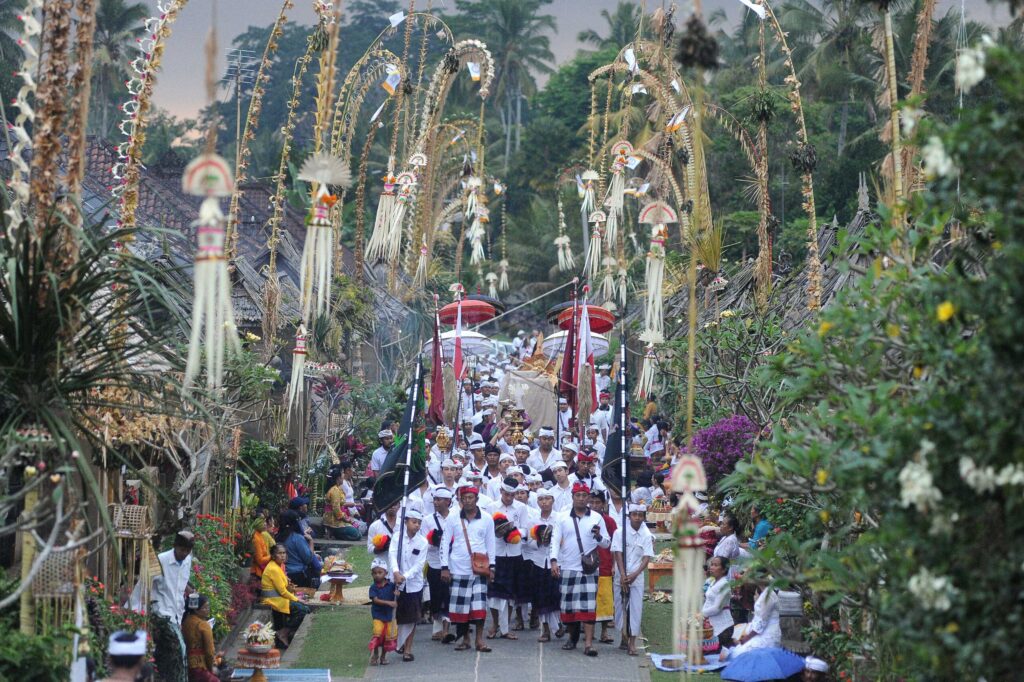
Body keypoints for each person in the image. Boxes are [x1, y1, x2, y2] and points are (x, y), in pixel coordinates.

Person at [549, 481, 610, 657]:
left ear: (588, 498)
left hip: (589, 569)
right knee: (568, 606)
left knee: (588, 607)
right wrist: (554, 561)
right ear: (573, 497)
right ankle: (572, 638)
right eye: (578, 496)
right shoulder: (562, 517)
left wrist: (598, 536)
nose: (581, 499)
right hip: (568, 566)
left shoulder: (597, 518)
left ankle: (589, 643)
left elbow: (607, 543)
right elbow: (555, 540)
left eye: (584, 496)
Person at [129, 530, 193, 682]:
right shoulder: (161, 561)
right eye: (182, 549)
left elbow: (181, 585)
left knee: (177, 655)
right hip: (161, 613)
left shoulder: (188, 560)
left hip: (177, 613)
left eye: (187, 550)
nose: (184, 553)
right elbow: (143, 586)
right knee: (179, 650)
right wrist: (134, 611)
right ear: (175, 546)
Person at [439, 485, 496, 653]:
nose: (468, 501)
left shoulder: (486, 518)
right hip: (457, 567)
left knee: (479, 607)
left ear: (477, 499)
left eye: (471, 498)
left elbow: (491, 544)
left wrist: (492, 566)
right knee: (460, 608)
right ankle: (465, 639)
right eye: (464, 498)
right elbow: (444, 542)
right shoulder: (452, 518)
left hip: (479, 569)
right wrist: (444, 567)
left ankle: (479, 639)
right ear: (460, 500)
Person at [486, 477, 529, 640]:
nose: (509, 498)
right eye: (506, 494)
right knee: (495, 592)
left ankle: (506, 627)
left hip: (514, 552)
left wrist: (514, 533)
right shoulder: (491, 507)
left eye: (513, 495)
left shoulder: (521, 508)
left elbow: (525, 529)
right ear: (501, 492)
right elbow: (488, 531)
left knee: (510, 593)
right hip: (496, 553)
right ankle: (495, 624)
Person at [611, 503, 655, 656]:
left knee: (635, 608)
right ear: (629, 516)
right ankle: (624, 634)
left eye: (640, 515)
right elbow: (617, 553)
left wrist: (634, 574)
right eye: (634, 514)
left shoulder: (646, 535)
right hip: (621, 575)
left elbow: (646, 557)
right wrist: (623, 575)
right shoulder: (619, 533)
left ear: (643, 517)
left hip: (637, 576)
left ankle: (632, 642)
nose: (637, 518)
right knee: (620, 607)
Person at [389, 508, 428, 662]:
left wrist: (404, 576)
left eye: (419, 523)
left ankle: (408, 649)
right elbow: (392, 555)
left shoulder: (422, 542)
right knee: (399, 616)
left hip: (413, 584)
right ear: (406, 522)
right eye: (414, 522)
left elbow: (419, 565)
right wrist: (396, 572)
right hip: (396, 581)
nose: (416, 525)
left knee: (412, 617)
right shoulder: (397, 538)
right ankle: (399, 643)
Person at [261, 544, 309, 649]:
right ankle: (283, 632)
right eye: (279, 553)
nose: (283, 556)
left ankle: (285, 632)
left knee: (304, 609)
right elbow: (282, 592)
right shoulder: (273, 568)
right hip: (274, 600)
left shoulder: (278, 566)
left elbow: (284, 587)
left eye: (284, 553)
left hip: (279, 598)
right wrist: (297, 599)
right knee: (303, 610)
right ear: (273, 556)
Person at [423, 487, 453, 642]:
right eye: (434, 499)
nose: (436, 502)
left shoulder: (455, 517)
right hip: (435, 562)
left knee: (449, 595)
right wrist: (433, 541)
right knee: (436, 595)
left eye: (439, 499)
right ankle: (437, 627)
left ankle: (447, 628)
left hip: (452, 562)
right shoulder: (428, 520)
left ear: (448, 501)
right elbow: (423, 543)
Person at [726, 579, 782, 658]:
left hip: (767, 636)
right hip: (761, 632)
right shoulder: (763, 592)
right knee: (736, 650)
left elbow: (761, 622)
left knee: (737, 654)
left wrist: (746, 638)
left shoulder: (768, 595)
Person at [589, 490, 617, 644]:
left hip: (605, 563)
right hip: (587, 565)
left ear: (604, 504)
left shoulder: (609, 521)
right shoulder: (584, 519)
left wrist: (613, 564)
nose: (594, 506)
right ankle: (589, 632)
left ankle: (604, 632)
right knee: (589, 599)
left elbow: (614, 544)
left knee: (605, 599)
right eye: (592, 502)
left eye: (597, 503)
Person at [277, 510, 321, 588]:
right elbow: (308, 559)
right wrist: (311, 542)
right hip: (297, 576)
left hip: (280, 574)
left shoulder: (276, 537)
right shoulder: (297, 538)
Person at [368, 557, 399, 666]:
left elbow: (396, 595)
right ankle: (375, 653)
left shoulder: (391, 585)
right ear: (372, 574)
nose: (377, 575)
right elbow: (375, 600)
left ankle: (383, 657)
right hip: (378, 615)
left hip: (389, 616)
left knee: (387, 636)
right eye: (375, 573)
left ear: (385, 573)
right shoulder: (373, 587)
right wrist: (389, 603)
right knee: (378, 633)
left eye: (380, 572)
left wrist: (397, 595)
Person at [181, 595, 219, 682]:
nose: (208, 609)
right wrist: (211, 668)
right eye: (205, 607)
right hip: (200, 665)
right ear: (196, 610)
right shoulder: (203, 625)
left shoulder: (185, 622)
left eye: (208, 607)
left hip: (187, 664)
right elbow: (210, 652)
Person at [702, 556, 734, 649]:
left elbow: (717, 608)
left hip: (723, 627)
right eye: (711, 564)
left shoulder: (724, 584)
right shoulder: (713, 582)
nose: (711, 567)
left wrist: (701, 614)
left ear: (724, 569)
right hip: (712, 625)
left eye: (715, 565)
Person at [324, 467, 361, 540]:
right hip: (334, 521)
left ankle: (334, 533)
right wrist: (347, 519)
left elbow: (341, 505)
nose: (343, 476)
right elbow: (336, 510)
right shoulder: (335, 491)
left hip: (338, 518)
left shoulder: (338, 488)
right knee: (357, 535)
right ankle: (334, 532)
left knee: (358, 530)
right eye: (342, 474)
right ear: (338, 478)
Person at [250, 515, 272, 584]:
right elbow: (259, 560)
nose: (265, 524)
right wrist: (272, 557)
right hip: (257, 572)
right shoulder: (256, 538)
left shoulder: (260, 535)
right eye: (263, 522)